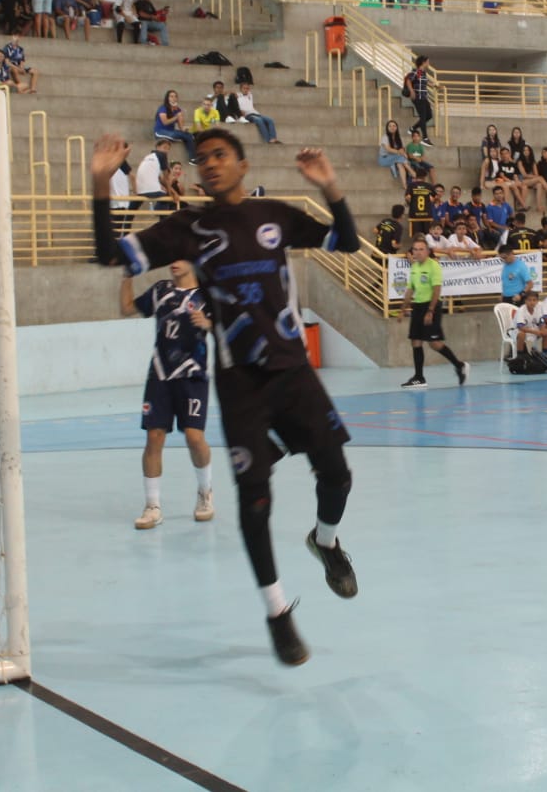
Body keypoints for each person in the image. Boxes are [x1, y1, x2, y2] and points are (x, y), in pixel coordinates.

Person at [89, 130, 363, 666]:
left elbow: (347, 241)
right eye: (201, 159)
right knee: (254, 500)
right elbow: (106, 252)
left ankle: (326, 543)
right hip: (240, 386)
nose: (209, 165)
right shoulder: (187, 228)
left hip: (294, 374)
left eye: (219, 156)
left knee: (337, 474)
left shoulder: (276, 214)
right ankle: (278, 613)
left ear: (242, 163)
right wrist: (101, 181)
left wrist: (331, 187)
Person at [119, 261, 215, 530]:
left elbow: (228, 329)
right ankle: (152, 506)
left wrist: (208, 323)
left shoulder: (208, 295)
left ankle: (205, 492)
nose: (173, 263)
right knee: (154, 436)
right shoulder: (161, 291)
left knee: (195, 438)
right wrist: (126, 276)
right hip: (159, 375)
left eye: (180, 257)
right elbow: (126, 309)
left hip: (193, 376)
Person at [400, 237, 470, 389]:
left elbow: (437, 290)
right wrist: (403, 308)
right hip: (417, 306)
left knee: (434, 343)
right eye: (415, 249)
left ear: (427, 251)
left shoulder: (434, 266)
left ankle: (459, 365)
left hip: (431, 306)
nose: (417, 252)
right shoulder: (414, 267)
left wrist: (430, 311)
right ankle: (419, 377)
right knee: (415, 341)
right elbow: (410, 289)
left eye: (420, 249)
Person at [405, 55, 434, 142]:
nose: (429, 64)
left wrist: (434, 85)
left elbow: (424, 82)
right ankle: (425, 138)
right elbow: (409, 80)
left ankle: (412, 128)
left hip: (424, 97)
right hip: (418, 97)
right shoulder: (418, 71)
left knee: (429, 115)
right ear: (423, 62)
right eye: (428, 62)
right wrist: (411, 91)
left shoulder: (423, 73)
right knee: (423, 116)